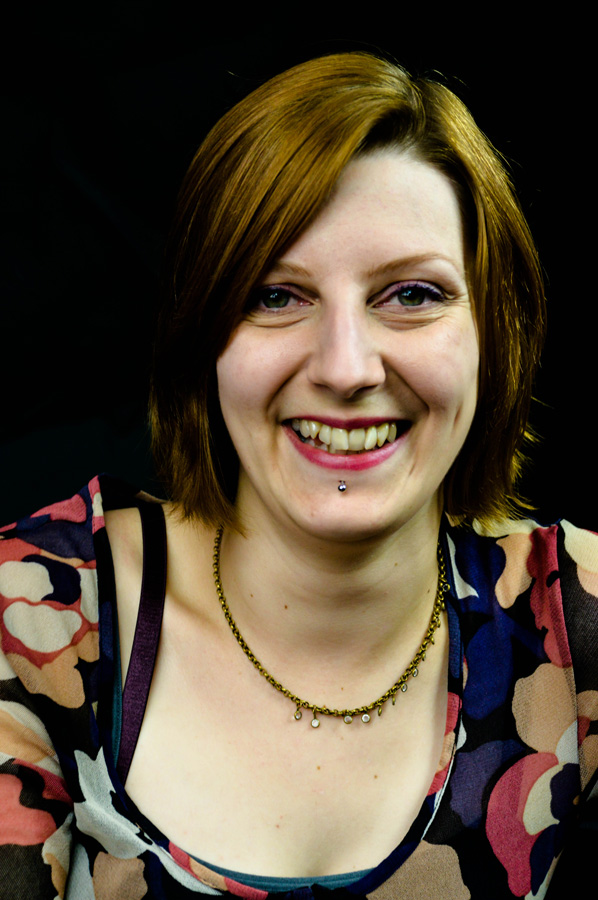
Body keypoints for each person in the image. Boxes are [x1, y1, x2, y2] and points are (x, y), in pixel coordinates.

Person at [0, 51, 596, 900]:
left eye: (412, 295)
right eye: (276, 296)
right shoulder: (31, 621)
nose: (346, 368)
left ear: (495, 332)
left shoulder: (580, 621)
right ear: (203, 337)